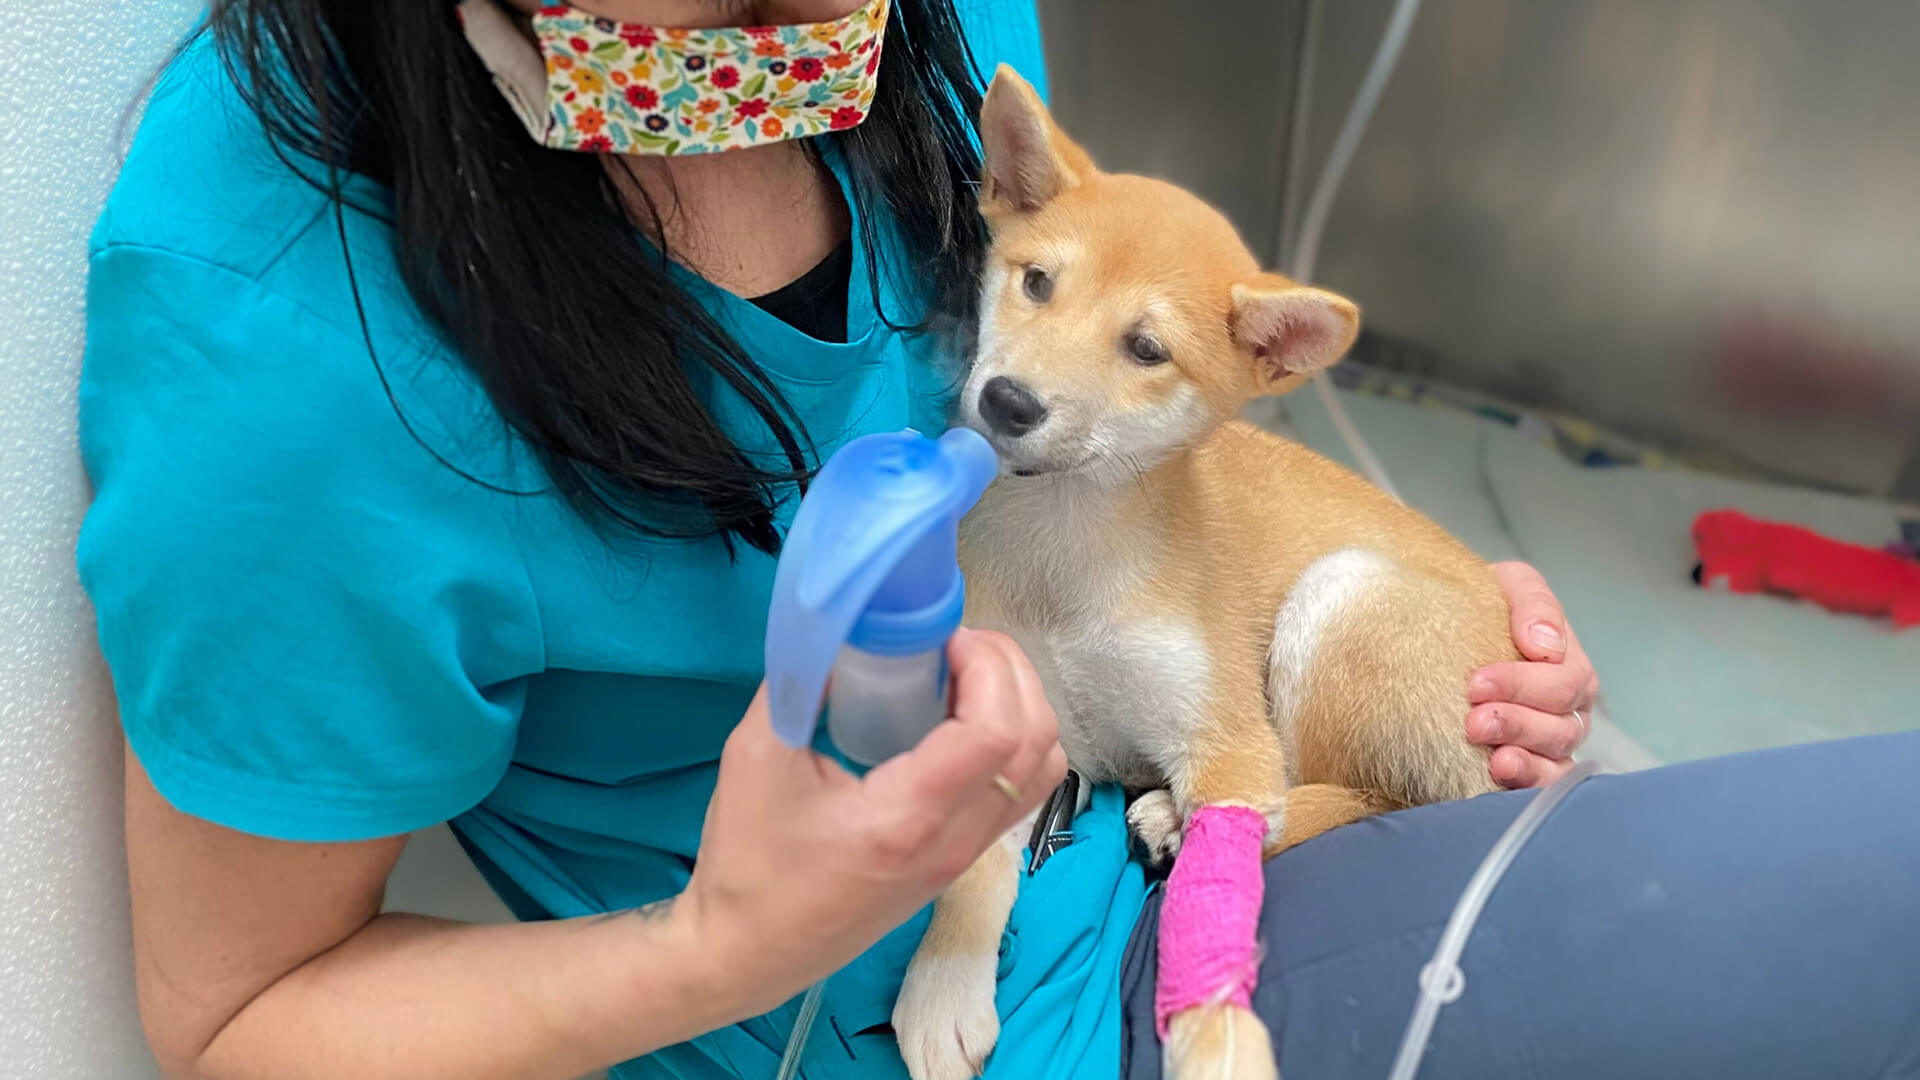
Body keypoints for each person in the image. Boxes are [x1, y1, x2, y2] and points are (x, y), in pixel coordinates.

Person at [81, 2, 1619, 1078]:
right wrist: (708, 948)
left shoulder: (939, 47)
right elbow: (235, 1014)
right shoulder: (281, 339)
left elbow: (1153, 435)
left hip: (1202, 882)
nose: (840, 23)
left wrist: (1420, 628)